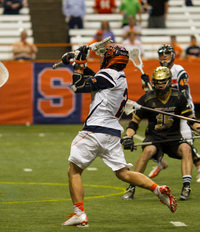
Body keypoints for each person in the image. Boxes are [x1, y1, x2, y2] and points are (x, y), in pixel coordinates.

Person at [59, 45, 177, 226]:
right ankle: (157, 189)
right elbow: (94, 78)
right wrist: (76, 63)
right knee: (123, 173)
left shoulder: (108, 75)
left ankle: (79, 213)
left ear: (110, 59)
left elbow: (78, 86)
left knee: (73, 171)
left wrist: (78, 66)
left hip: (94, 130)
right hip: (112, 133)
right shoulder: (118, 76)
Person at [122, 66, 200, 201]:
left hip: (173, 137)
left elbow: (190, 120)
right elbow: (134, 123)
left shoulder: (178, 97)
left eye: (162, 82)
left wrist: (198, 128)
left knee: (187, 148)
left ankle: (186, 186)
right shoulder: (147, 99)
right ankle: (131, 186)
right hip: (154, 137)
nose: (160, 86)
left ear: (169, 82)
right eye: (157, 83)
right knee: (147, 151)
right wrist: (128, 136)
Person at [140, 44, 200, 183]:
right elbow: (151, 94)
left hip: (182, 111)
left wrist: (175, 107)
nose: (164, 56)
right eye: (161, 54)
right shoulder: (158, 71)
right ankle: (160, 162)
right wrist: (146, 84)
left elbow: (183, 92)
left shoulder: (178, 70)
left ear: (173, 55)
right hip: (165, 112)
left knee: (186, 142)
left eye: (167, 53)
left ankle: (198, 167)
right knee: (154, 139)